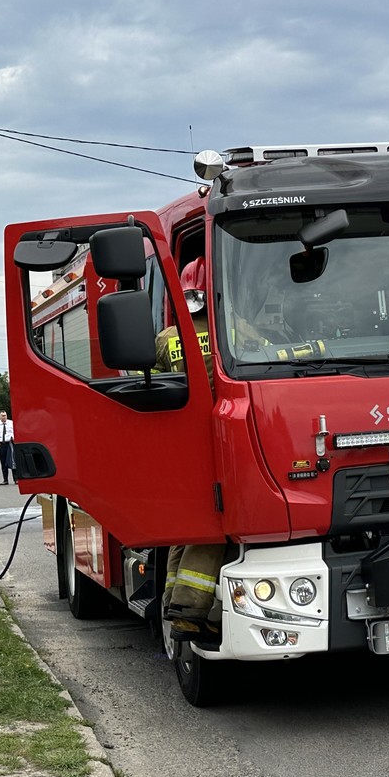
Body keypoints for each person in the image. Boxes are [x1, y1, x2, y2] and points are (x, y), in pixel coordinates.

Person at [154, 258, 225, 647]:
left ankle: (171, 601)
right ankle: (188, 610)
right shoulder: (229, 331)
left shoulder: (165, 339)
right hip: (220, 443)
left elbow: (142, 387)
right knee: (216, 531)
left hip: (181, 448)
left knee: (186, 530)